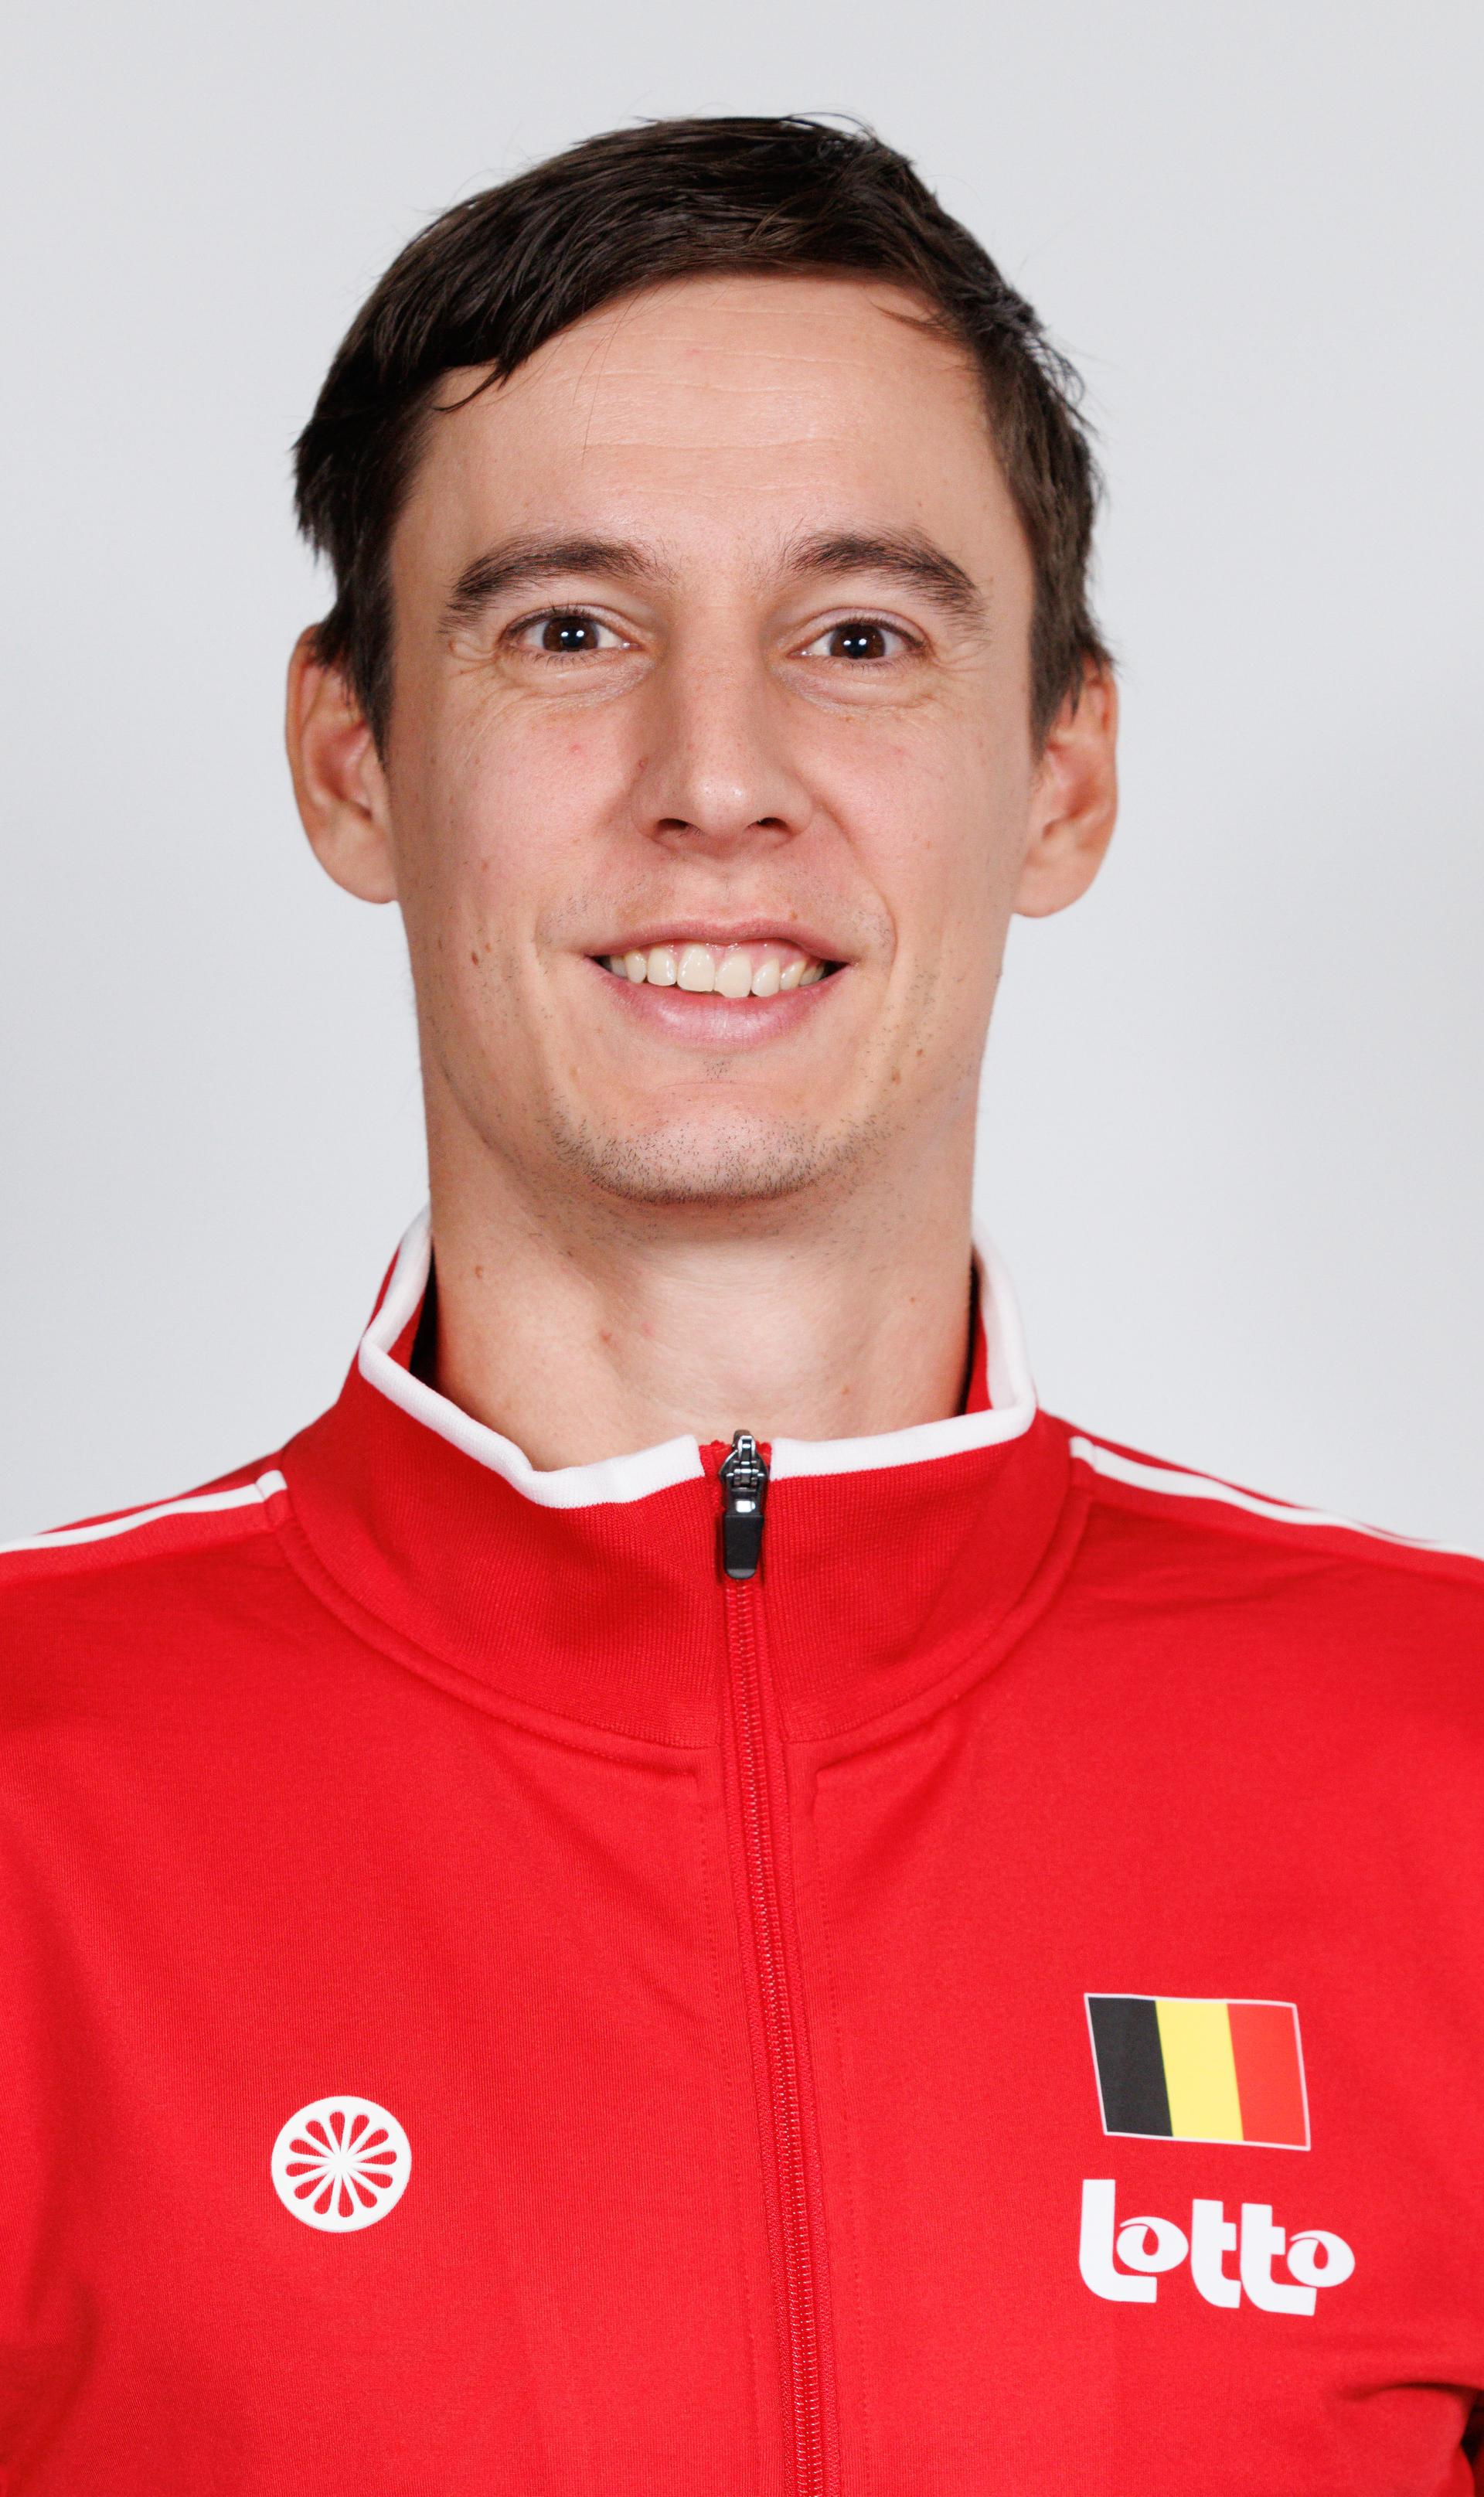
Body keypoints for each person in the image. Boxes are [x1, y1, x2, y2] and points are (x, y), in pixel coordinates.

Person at [2, 114, 1480, 2497]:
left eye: (862, 639)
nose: (717, 780)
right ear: (353, 756)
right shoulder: (30, 1788)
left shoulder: (1449, 1770)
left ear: (1064, 773)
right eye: (568, 629)